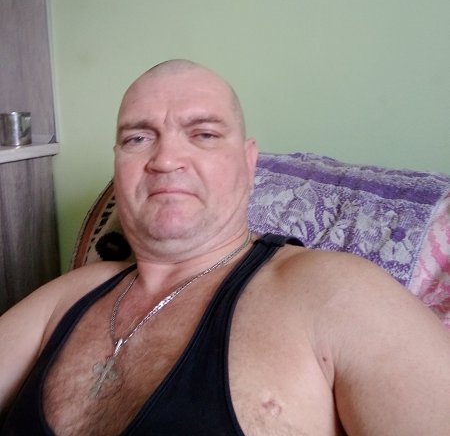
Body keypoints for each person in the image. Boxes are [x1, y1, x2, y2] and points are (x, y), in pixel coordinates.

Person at [1, 59, 450, 436]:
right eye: (138, 138)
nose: (165, 159)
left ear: (249, 163)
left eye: (204, 134)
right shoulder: (68, 295)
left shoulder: (339, 293)